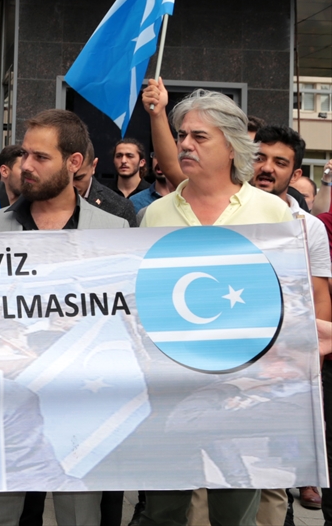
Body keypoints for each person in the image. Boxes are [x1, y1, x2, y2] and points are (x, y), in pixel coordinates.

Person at [141, 90, 294, 526]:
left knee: (236, 513)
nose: (185, 144)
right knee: (165, 512)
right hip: (170, 394)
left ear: (230, 146)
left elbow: (288, 305)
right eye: (181, 135)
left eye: (199, 136)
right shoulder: (154, 216)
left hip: (244, 397)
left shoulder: (273, 213)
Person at [0, 109, 128, 526]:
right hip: (11, 394)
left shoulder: (113, 229)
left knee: (80, 513)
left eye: (40, 157)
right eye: (25, 154)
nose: (26, 165)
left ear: (73, 163)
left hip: (84, 396)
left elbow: (125, 317)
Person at [250, 125, 332, 518]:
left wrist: (310, 365)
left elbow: (319, 298)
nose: (267, 168)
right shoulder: (223, 212)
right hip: (223, 362)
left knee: (271, 478)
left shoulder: (309, 227)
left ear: (295, 172)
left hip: (283, 368)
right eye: (260, 157)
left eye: (280, 163)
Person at [72, 140, 138, 226]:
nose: (71, 185)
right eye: (66, 179)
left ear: (94, 166)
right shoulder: (49, 201)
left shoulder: (120, 207)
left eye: (78, 178)